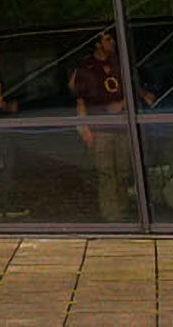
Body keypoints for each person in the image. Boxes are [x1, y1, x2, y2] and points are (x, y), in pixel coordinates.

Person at [67, 31, 146, 217]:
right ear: (97, 44)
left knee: (123, 171)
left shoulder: (118, 63)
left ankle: (124, 211)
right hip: (101, 128)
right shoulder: (87, 67)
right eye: (108, 39)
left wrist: (131, 100)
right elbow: (80, 100)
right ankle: (112, 215)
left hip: (121, 126)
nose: (112, 43)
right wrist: (84, 127)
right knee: (106, 174)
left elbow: (130, 87)